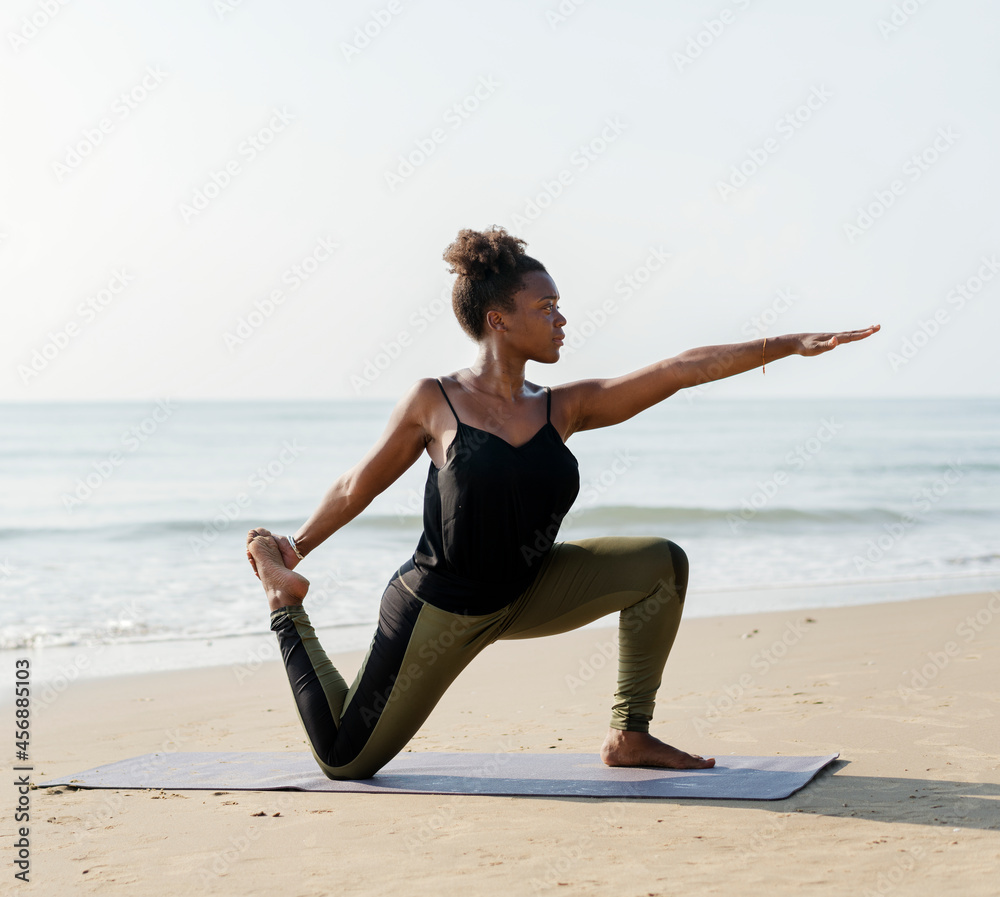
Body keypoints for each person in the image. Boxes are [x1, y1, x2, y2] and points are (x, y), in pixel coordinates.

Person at [245, 225, 879, 780]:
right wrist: (292, 550)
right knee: (344, 760)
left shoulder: (563, 407)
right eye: (545, 306)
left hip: (530, 588)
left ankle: (629, 734)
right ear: (498, 320)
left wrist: (786, 344)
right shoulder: (434, 401)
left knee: (661, 563)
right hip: (438, 612)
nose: (561, 319)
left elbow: (680, 368)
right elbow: (359, 485)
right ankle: (285, 603)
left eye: (559, 306)